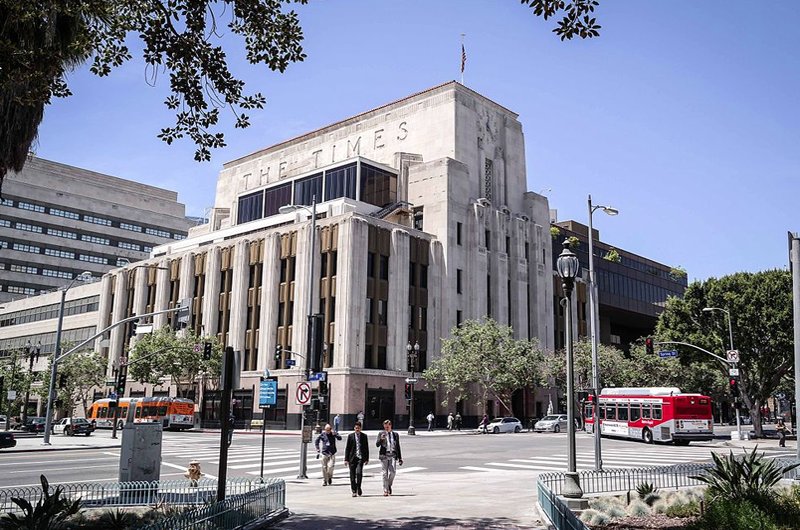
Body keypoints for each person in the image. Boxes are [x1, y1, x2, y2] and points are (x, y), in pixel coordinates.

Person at [376, 419, 403, 496]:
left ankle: (389, 485)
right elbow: (377, 444)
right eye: (385, 427)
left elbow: (397, 446)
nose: (386, 429)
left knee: (393, 472)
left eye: (387, 427)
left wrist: (400, 458)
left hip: (393, 455)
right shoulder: (381, 434)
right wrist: (381, 439)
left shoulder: (395, 435)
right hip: (384, 455)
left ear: (390, 426)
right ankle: (385, 489)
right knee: (385, 473)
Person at [344, 421, 369, 497]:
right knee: (352, 475)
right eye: (356, 428)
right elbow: (347, 448)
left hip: (360, 458)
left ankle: (359, 486)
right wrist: (346, 459)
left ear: (361, 428)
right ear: (354, 428)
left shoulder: (364, 436)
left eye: (358, 428)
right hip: (352, 458)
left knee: (359, 473)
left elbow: (366, 448)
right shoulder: (350, 436)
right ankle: (354, 490)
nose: (357, 429)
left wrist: (367, 458)